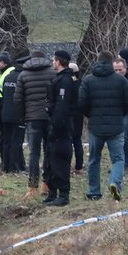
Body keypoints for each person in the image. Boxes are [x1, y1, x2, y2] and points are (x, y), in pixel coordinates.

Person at [79, 50, 128, 201]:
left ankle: (94, 192)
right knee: (118, 159)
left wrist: (90, 114)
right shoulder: (120, 80)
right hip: (116, 126)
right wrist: (120, 113)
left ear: (97, 61)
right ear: (112, 63)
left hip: (95, 126)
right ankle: (114, 182)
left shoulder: (88, 80)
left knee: (94, 159)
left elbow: (81, 103)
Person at [16, 49, 57, 198]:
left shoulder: (23, 75)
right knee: (49, 151)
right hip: (49, 117)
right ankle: (47, 184)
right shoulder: (53, 73)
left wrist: (23, 117)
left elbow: (18, 99)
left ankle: (32, 187)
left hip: (32, 118)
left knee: (34, 153)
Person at [44, 49, 79, 206]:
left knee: (60, 160)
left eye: (54, 60)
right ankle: (52, 192)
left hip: (61, 128)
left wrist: (55, 127)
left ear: (58, 62)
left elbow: (62, 107)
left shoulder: (65, 81)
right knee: (51, 160)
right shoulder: (61, 79)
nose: (53, 63)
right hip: (56, 125)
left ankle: (63, 195)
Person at [0, 51, 26, 173]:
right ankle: (15, 167)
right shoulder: (19, 77)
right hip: (16, 114)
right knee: (16, 141)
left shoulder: (6, 76)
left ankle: (7, 166)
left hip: (4, 113)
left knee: (6, 141)